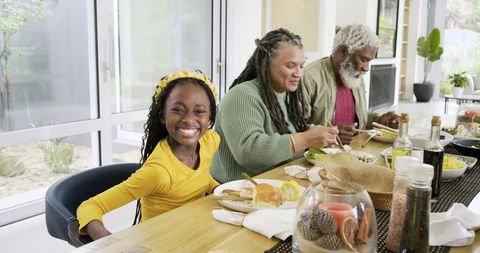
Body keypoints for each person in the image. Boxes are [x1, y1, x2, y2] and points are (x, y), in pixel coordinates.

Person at [77, 70, 220, 240]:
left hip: (195, 233)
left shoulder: (210, 141)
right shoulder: (158, 172)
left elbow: (199, 178)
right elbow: (89, 206)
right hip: (160, 244)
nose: (189, 119)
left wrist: (219, 189)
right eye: (178, 110)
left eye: (199, 111)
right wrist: (109, 243)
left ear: (209, 118)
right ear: (162, 115)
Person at [211, 28, 339, 183]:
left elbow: (286, 132)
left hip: (274, 186)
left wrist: (313, 132)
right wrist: (305, 139)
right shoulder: (242, 95)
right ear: (267, 64)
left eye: (301, 65)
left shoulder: (285, 95)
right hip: (236, 195)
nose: (298, 73)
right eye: (291, 66)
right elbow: (249, 152)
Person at [301, 24, 400, 144]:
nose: (366, 68)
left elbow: (356, 119)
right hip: (319, 156)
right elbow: (296, 127)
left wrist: (377, 120)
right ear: (343, 52)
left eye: (369, 61)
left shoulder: (354, 76)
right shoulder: (309, 77)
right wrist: (332, 134)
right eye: (363, 60)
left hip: (354, 151)